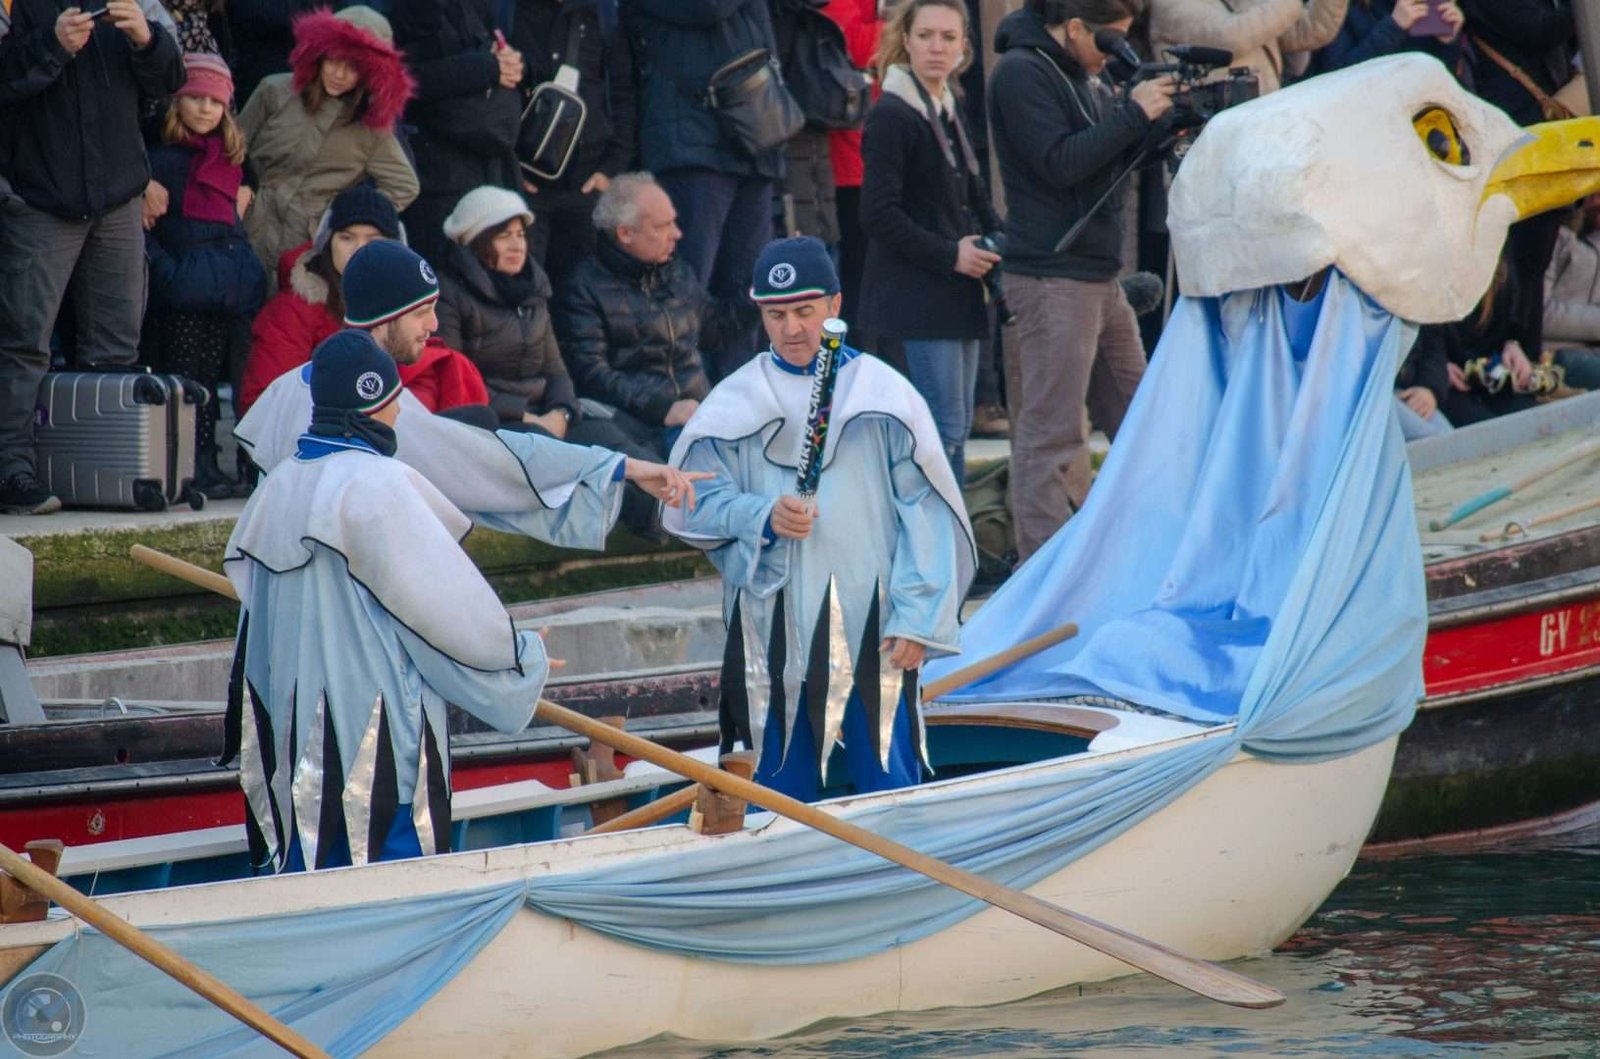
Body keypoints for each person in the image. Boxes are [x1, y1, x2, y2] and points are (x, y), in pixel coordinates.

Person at [223, 329, 550, 871]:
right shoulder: (382, 487)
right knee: (390, 861)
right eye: (396, 400)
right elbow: (449, 618)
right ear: (376, 403)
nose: (402, 413)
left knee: (313, 857)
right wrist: (522, 658)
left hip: (293, 744)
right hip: (377, 748)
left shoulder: (275, 488)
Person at [665, 237, 974, 802]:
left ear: (834, 305)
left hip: (875, 629)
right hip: (768, 634)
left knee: (889, 785)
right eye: (776, 314)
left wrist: (918, 615)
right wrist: (760, 515)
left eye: (804, 311)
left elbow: (924, 511)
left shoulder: (885, 397)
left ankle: (899, 885)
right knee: (776, 796)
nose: (792, 328)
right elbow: (690, 502)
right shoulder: (733, 402)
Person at [236, 234, 708, 552]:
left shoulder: (292, 385)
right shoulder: (374, 398)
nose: (434, 326)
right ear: (386, 315)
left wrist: (619, 467)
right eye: (421, 312)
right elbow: (486, 461)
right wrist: (615, 467)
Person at [987, 0, 1170, 559]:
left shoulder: (1075, 74)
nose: (1110, 54)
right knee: (1053, 439)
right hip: (1051, 278)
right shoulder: (1020, 73)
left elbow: (1105, 166)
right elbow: (1060, 164)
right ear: (1071, 27)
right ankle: (1043, 581)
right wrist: (1131, 116)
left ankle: (1148, 551)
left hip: (1096, 276)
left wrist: (1157, 125)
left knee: (1143, 421)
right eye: (1107, 41)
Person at [0, 0, 184, 515]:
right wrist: (51, 46)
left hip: (118, 198)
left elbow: (172, 78)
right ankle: (13, 472)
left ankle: (110, 471)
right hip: (39, 198)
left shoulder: (136, 1)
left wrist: (147, 38)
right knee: (23, 343)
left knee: (116, 343)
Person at [436, 185, 670, 536]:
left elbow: (556, 369)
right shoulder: (450, 297)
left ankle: (678, 499)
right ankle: (656, 518)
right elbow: (456, 382)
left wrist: (560, 412)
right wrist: (523, 414)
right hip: (496, 424)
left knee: (606, 436)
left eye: (520, 235)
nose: (517, 246)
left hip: (548, 416)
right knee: (554, 454)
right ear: (476, 240)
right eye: (504, 236)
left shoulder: (533, 292)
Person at [858, 0, 1000, 486]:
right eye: (925, 36)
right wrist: (950, 254)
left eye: (948, 37)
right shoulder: (893, 114)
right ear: (906, 40)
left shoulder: (946, 105)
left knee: (952, 429)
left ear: (964, 47)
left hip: (956, 292)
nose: (937, 47)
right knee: (941, 428)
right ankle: (941, 550)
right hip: (918, 294)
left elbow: (973, 195)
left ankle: (954, 550)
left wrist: (998, 240)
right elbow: (877, 214)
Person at [624, 0, 786, 381]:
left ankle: (743, 404)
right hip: (690, 145)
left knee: (749, 291)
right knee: (686, 288)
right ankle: (684, 407)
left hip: (752, 134)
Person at [240, 184, 488, 421]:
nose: (358, 249)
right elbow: (264, 407)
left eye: (372, 239)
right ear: (328, 242)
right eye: (347, 238)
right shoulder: (292, 312)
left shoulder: (408, 308)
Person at [141, 52, 269, 498]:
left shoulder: (234, 163)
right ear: (177, 102)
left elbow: (233, 228)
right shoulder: (159, 160)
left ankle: (212, 463)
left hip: (225, 290)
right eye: (195, 98)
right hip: (183, 291)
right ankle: (187, 466)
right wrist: (169, 274)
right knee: (184, 380)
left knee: (213, 383)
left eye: (214, 102)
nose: (205, 109)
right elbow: (149, 230)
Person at [236, 5, 419, 284]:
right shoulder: (275, 90)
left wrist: (341, 218)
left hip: (306, 248)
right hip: (249, 226)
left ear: (370, 74)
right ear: (318, 53)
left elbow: (404, 186)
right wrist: (243, 188)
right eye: (333, 60)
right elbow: (232, 146)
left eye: (353, 67)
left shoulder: (371, 129)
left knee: (286, 321)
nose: (339, 74)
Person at [553, 173, 723, 463]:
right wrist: (662, 409)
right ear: (625, 233)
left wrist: (757, 298)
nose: (677, 234)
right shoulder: (582, 286)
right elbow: (591, 374)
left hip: (699, 417)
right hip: (636, 427)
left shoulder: (676, 270)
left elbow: (715, 331)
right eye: (662, 225)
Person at [508, 0, 637, 292]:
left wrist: (611, 167)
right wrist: (509, 166)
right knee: (527, 293)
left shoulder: (604, 14)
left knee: (582, 297)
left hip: (587, 184)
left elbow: (623, 91)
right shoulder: (508, 11)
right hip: (526, 184)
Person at [392, 0, 524, 268]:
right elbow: (402, 78)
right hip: (436, 175)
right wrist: (486, 68)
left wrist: (513, 63)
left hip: (491, 163)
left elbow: (498, 50)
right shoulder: (403, 11)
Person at [1148, 0, 1350, 97]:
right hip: (1209, 137)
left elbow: (1308, 32)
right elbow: (1231, 37)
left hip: (1262, 120)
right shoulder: (1169, 4)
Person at [1310, 0, 1465, 74]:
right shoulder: (1339, 6)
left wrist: (1448, 42)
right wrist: (1394, 27)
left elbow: (1440, 78)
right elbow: (1334, 76)